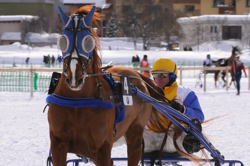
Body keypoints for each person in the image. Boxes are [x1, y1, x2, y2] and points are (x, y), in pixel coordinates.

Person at [143, 58, 204, 158]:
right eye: (155, 74)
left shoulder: (185, 93)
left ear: (172, 76)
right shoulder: (146, 92)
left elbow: (199, 117)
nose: (158, 78)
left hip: (173, 141)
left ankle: (190, 144)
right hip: (149, 139)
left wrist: (182, 110)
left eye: (163, 75)